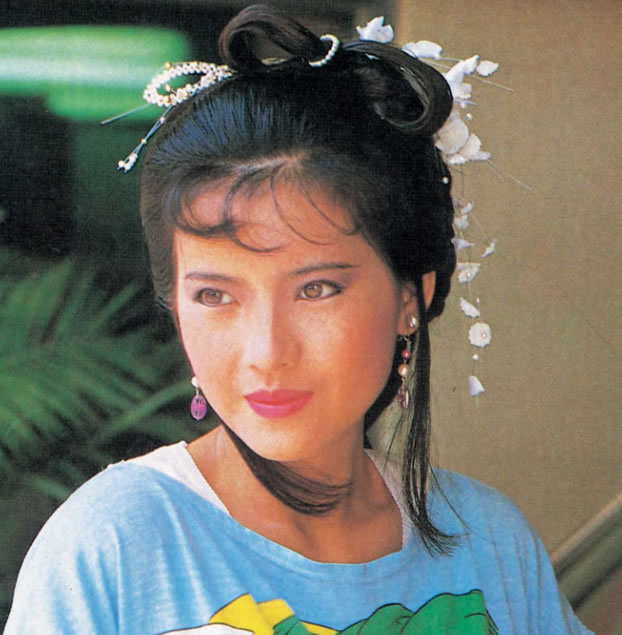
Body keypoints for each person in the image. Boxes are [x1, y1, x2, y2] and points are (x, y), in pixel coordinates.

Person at [5, 5, 591, 633]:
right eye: (214, 296)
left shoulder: (489, 543)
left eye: (316, 289)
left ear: (409, 299)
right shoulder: (115, 545)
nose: (266, 351)